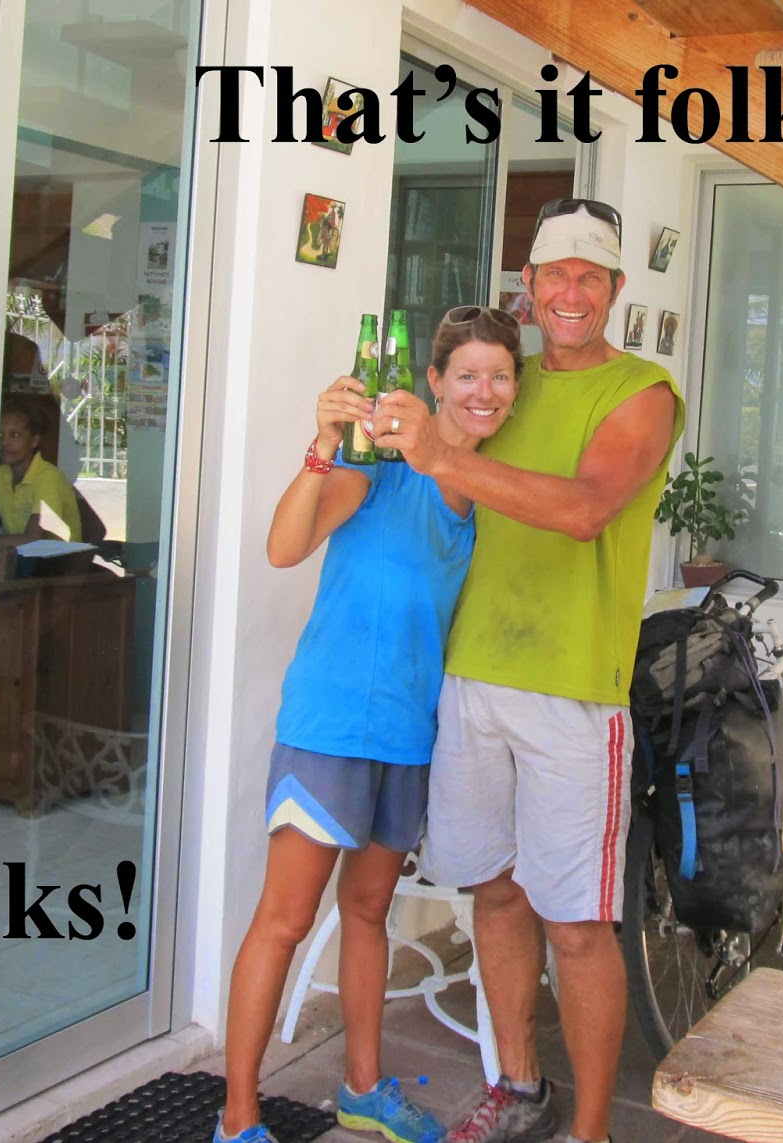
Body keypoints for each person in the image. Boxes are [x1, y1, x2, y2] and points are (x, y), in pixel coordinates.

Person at [375, 199, 684, 1143]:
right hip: (473, 673)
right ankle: (517, 1087)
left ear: (616, 288)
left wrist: (443, 453)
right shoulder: (502, 380)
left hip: (575, 692)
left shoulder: (643, 390)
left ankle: (590, 1131)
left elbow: (586, 508)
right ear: (530, 285)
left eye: (591, 275)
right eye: (557, 274)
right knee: (494, 892)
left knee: (578, 923)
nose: (572, 292)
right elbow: (427, 474)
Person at [214, 308, 525, 1143]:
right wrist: (323, 442)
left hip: (410, 734)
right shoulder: (377, 464)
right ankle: (237, 1119)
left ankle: (362, 1087)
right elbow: (285, 547)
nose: (484, 391)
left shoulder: (494, 488)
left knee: (367, 910)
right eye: (467, 374)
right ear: (434, 382)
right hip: (332, 724)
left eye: (499, 375)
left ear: (515, 389)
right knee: (285, 918)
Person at [0, 398, 83, 540]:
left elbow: (33, 539)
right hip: (19, 553)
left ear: (34, 441)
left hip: (55, 555)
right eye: (1, 435)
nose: (5, 443)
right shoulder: (1, 474)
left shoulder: (48, 477)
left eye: (14, 435)